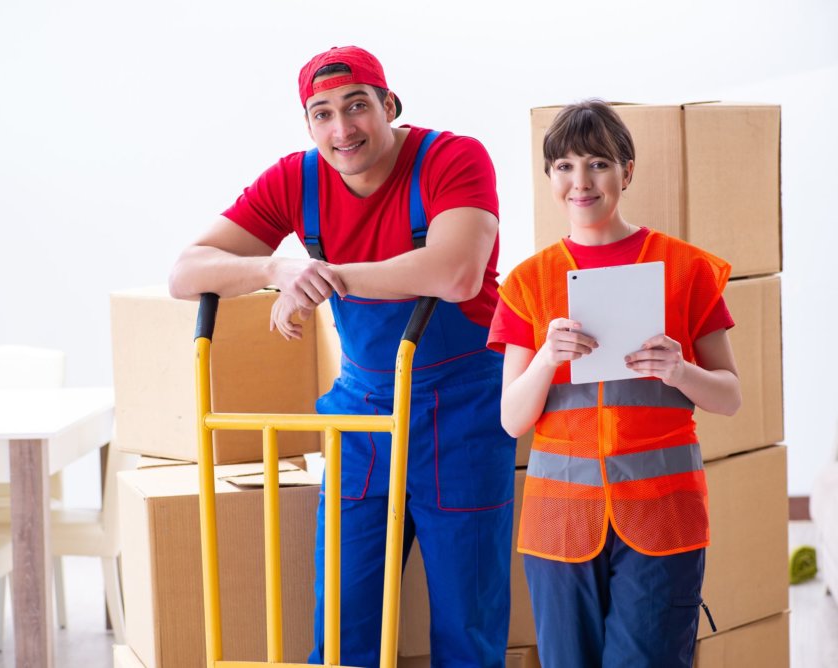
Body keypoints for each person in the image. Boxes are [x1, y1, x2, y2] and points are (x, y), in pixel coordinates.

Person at [169, 46, 516, 667]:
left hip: (461, 411)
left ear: (389, 105)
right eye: (322, 113)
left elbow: (458, 271)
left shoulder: (451, 158)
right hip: (361, 416)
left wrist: (324, 278)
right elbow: (186, 269)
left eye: (357, 106)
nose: (342, 129)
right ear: (307, 124)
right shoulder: (296, 179)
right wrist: (279, 267)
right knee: (342, 620)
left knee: (468, 623)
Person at [489, 99, 742, 667]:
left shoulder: (685, 270)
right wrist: (546, 361)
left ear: (627, 171)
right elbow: (511, 419)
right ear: (550, 176)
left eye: (599, 163)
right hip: (560, 523)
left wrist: (681, 371)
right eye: (565, 167)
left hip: (663, 517)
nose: (581, 182)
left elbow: (730, 395)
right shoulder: (529, 283)